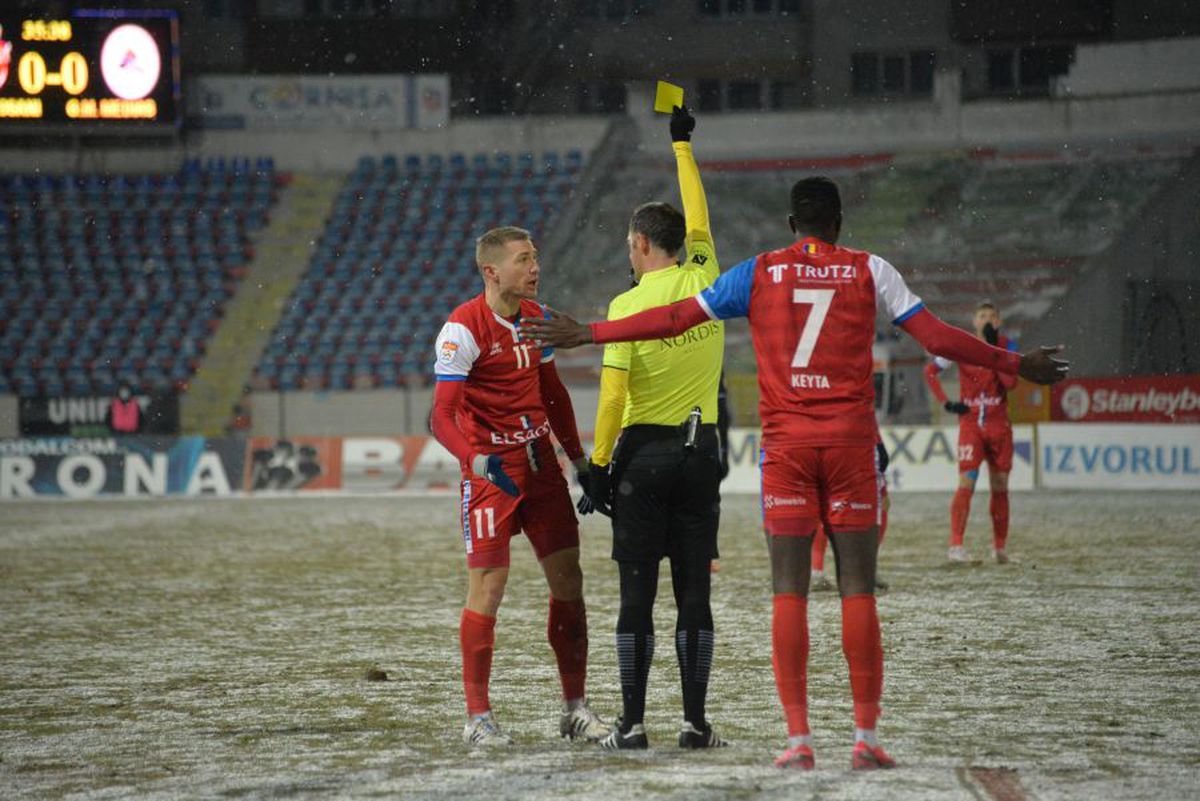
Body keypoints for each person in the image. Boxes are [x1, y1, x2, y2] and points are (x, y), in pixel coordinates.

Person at [519, 177, 1068, 770]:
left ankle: (799, 741)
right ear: (837, 223)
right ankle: (864, 738)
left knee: (790, 592)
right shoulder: (870, 269)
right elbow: (936, 336)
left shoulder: (759, 272)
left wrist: (590, 333)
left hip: (785, 449)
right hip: (849, 444)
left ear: (791, 224)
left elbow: (674, 319)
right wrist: (1016, 362)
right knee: (857, 588)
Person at [581, 106, 727, 751]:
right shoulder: (706, 280)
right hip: (701, 455)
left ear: (641, 245)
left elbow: (613, 395)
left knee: (635, 596)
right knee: (694, 595)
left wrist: (597, 465)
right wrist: (682, 145)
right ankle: (695, 724)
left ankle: (633, 723)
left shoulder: (624, 306)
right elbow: (698, 214)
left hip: (641, 461)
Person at [430, 226, 609, 746]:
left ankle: (574, 708)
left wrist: (579, 460)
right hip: (492, 472)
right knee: (488, 589)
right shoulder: (462, 329)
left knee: (569, 582)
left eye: (535, 258)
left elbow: (553, 396)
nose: (535, 268)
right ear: (491, 271)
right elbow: (440, 417)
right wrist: (474, 460)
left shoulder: (540, 320)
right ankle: (478, 718)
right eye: (523, 260)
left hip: (541, 467)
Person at [924, 301, 1020, 563]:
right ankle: (956, 547)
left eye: (991, 315)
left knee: (1000, 486)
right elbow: (930, 372)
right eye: (982, 316)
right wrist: (946, 401)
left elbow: (1011, 384)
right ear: (974, 321)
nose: (987, 319)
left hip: (999, 425)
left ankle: (999, 548)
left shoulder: (1008, 346)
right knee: (966, 482)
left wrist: (996, 353)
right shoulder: (961, 345)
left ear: (998, 321)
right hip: (970, 426)